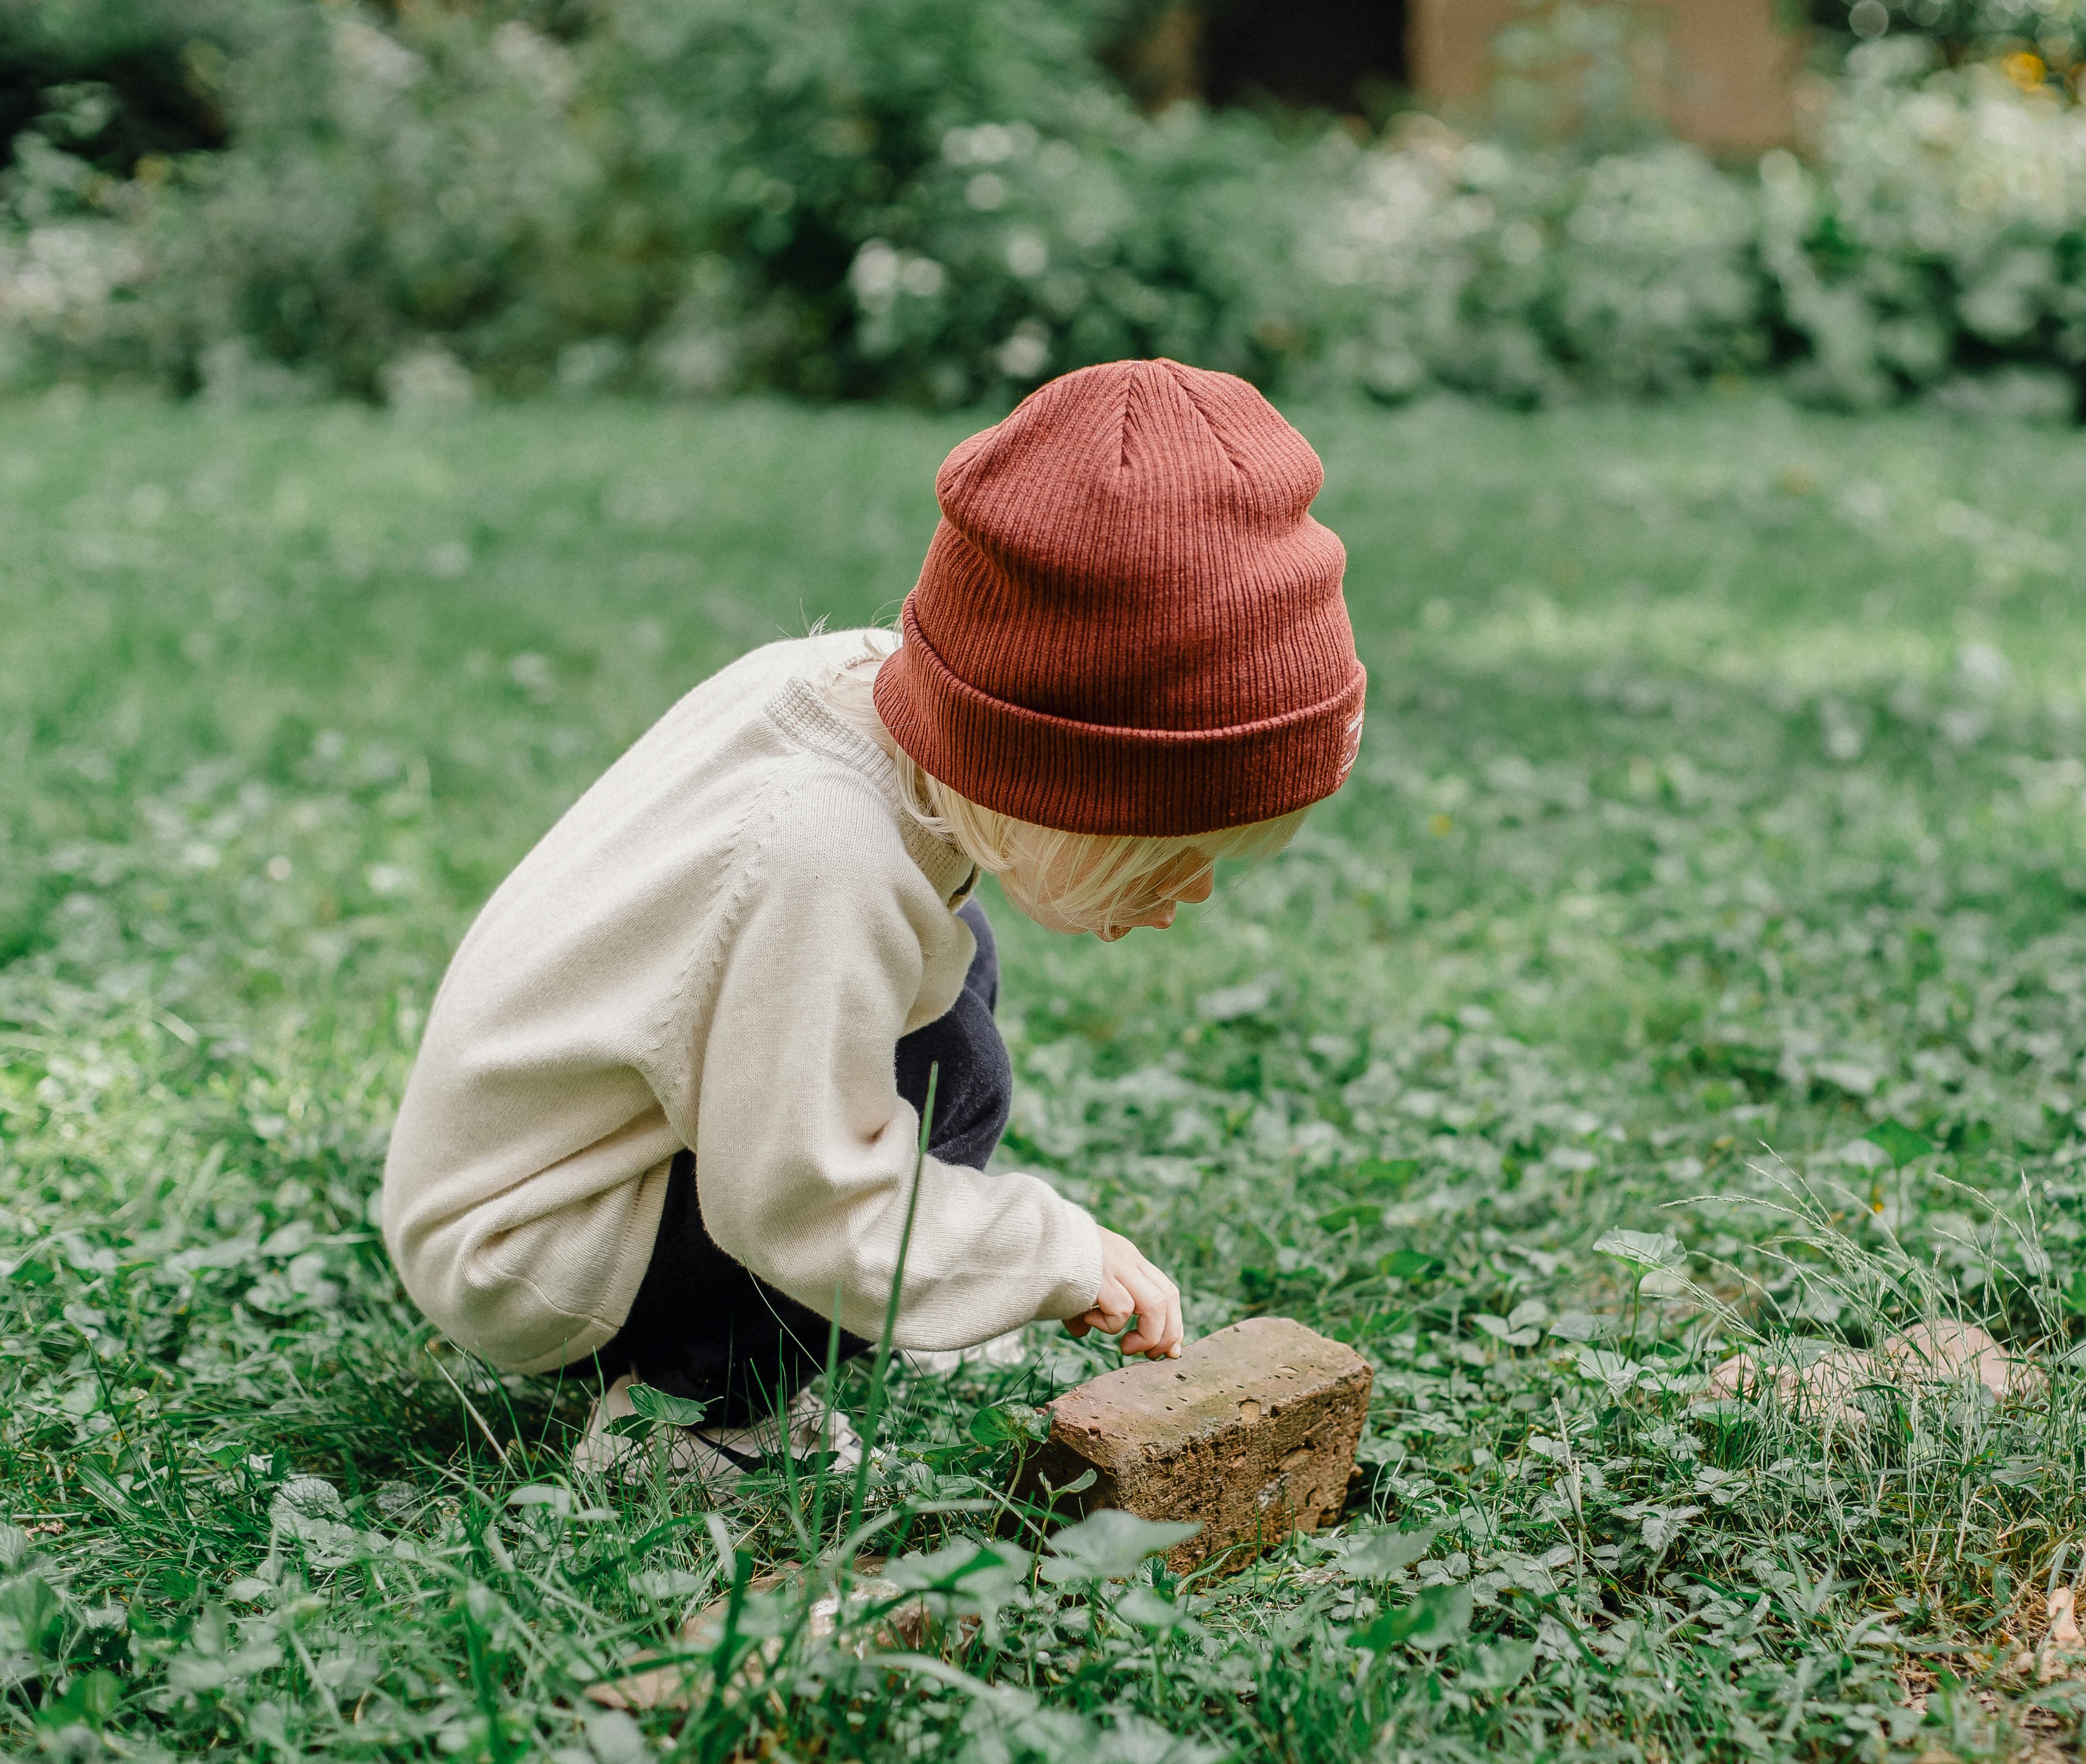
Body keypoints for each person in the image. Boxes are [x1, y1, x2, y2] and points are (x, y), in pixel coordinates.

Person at [378, 359, 1365, 1485]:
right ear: (1059, 774)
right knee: (954, 1080)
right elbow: (801, 1201)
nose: (1188, 895)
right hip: (528, 1239)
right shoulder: (820, 855)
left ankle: (871, 1290)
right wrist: (1047, 1250)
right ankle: (696, 1417)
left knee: (949, 987)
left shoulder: (866, 703)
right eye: (1173, 854)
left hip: (564, 1152)